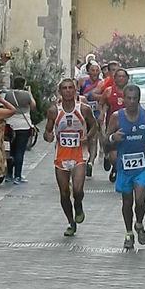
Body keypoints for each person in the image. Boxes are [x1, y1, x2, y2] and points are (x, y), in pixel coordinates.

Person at [107, 84, 145, 249]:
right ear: (123, 99)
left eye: (134, 98)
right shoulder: (116, 117)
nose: (131, 101)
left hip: (142, 165)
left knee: (140, 200)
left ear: (139, 99)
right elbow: (105, 139)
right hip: (124, 166)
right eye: (128, 98)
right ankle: (129, 232)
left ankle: (140, 223)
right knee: (127, 202)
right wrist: (113, 138)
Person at [44, 78, 96, 237]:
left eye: (70, 88)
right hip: (61, 157)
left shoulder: (84, 109)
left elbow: (94, 126)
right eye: (64, 88)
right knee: (64, 193)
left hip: (78, 156)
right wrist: (49, 136)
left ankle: (78, 205)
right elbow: (47, 132)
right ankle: (70, 221)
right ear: (60, 91)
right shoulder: (54, 110)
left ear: (75, 90)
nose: (67, 91)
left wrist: (87, 136)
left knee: (78, 190)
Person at [3, 77, 36, 184]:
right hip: (23, 125)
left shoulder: (8, 94)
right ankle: (17, 176)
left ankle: (8, 174)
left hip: (10, 125)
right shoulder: (26, 94)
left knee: (11, 151)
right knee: (20, 152)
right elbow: (33, 106)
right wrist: (30, 93)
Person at [98, 67, 129, 180]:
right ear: (114, 78)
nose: (121, 78)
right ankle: (111, 160)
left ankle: (117, 169)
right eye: (119, 76)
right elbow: (101, 103)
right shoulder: (109, 91)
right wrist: (101, 114)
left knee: (124, 150)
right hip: (112, 125)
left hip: (127, 125)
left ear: (127, 79)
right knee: (111, 150)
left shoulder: (130, 91)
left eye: (123, 76)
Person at [78, 62, 102, 177]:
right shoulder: (82, 81)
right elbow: (76, 94)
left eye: (97, 71)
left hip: (96, 114)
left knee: (93, 139)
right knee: (84, 138)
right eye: (93, 70)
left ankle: (91, 162)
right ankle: (83, 159)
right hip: (83, 115)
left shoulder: (102, 84)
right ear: (89, 71)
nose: (95, 73)